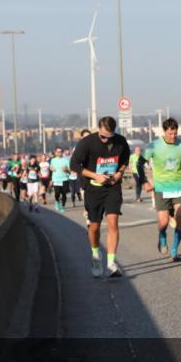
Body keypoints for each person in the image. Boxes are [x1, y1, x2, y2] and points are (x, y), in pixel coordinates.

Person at [70, 117, 131, 278]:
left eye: (109, 137)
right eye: (103, 136)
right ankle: (96, 255)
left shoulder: (120, 141)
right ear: (98, 129)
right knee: (94, 228)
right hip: (93, 189)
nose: (106, 140)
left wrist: (119, 173)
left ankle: (111, 263)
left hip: (112, 188)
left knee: (113, 222)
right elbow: (74, 165)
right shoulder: (87, 143)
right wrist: (95, 176)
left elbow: (125, 159)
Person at [142, 118, 181, 261]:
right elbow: (138, 164)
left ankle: (174, 250)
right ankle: (162, 235)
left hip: (179, 186)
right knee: (164, 222)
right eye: (170, 133)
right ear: (164, 131)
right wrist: (144, 182)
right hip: (161, 188)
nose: (173, 137)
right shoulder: (154, 146)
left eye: (175, 133)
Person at [49, 147, 71, 212]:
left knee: (64, 194)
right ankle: (57, 202)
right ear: (55, 153)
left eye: (60, 152)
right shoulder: (53, 160)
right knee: (57, 193)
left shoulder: (66, 160)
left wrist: (66, 169)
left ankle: (63, 206)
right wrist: (51, 168)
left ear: (62, 152)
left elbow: (70, 171)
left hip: (64, 179)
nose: (59, 153)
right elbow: (51, 167)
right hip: (56, 179)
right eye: (58, 152)